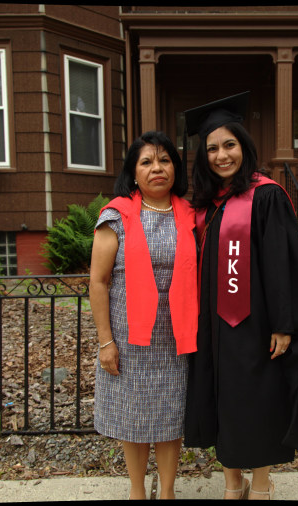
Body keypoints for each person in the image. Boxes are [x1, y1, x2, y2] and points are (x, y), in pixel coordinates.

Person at [183, 92, 298, 500]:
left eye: (229, 145)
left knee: (260, 401)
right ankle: (233, 484)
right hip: (213, 324)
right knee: (222, 400)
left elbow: (284, 266)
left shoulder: (264, 196)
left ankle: (261, 485)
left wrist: (284, 324)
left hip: (257, 322)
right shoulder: (204, 205)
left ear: (244, 146)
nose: (221, 155)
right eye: (212, 148)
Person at [89, 131, 198, 500]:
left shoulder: (191, 216)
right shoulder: (114, 216)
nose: (157, 168)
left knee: (170, 420)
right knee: (132, 420)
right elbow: (98, 281)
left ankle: (167, 491)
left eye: (165, 160)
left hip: (176, 339)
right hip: (128, 338)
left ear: (175, 168)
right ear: (133, 173)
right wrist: (106, 341)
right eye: (146, 162)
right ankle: (137, 491)